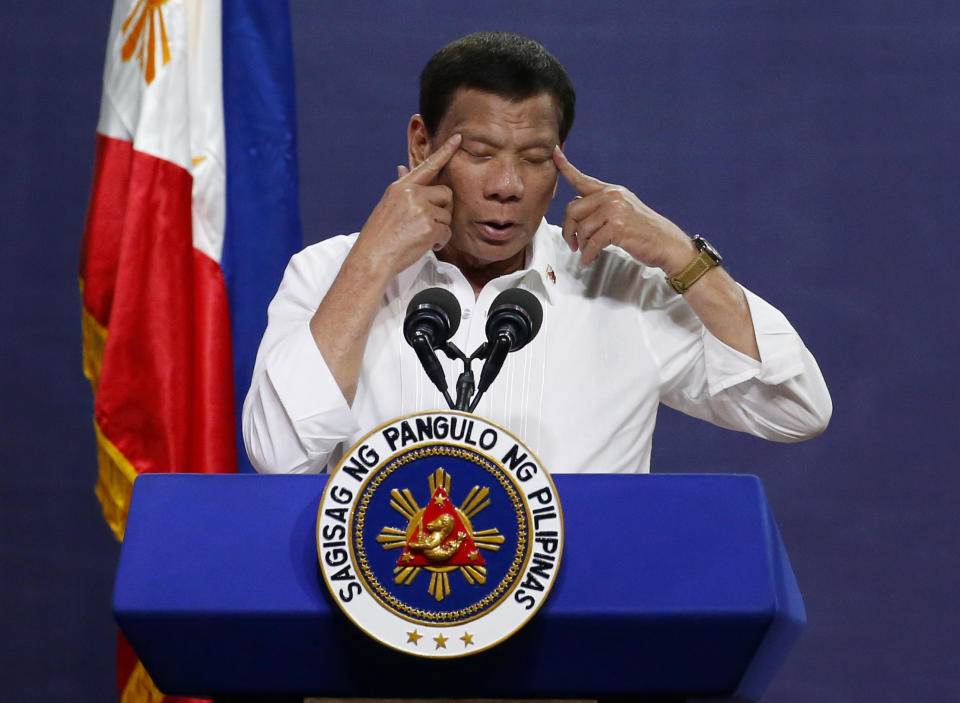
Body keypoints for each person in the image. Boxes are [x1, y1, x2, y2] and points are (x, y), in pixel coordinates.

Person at [242, 31, 831, 476]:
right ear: (422, 143)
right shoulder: (328, 273)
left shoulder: (620, 287)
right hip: (387, 620)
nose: (508, 185)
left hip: (578, 628)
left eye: (533, 157)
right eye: (480, 152)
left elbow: (797, 408)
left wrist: (683, 258)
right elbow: (279, 456)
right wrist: (371, 263)